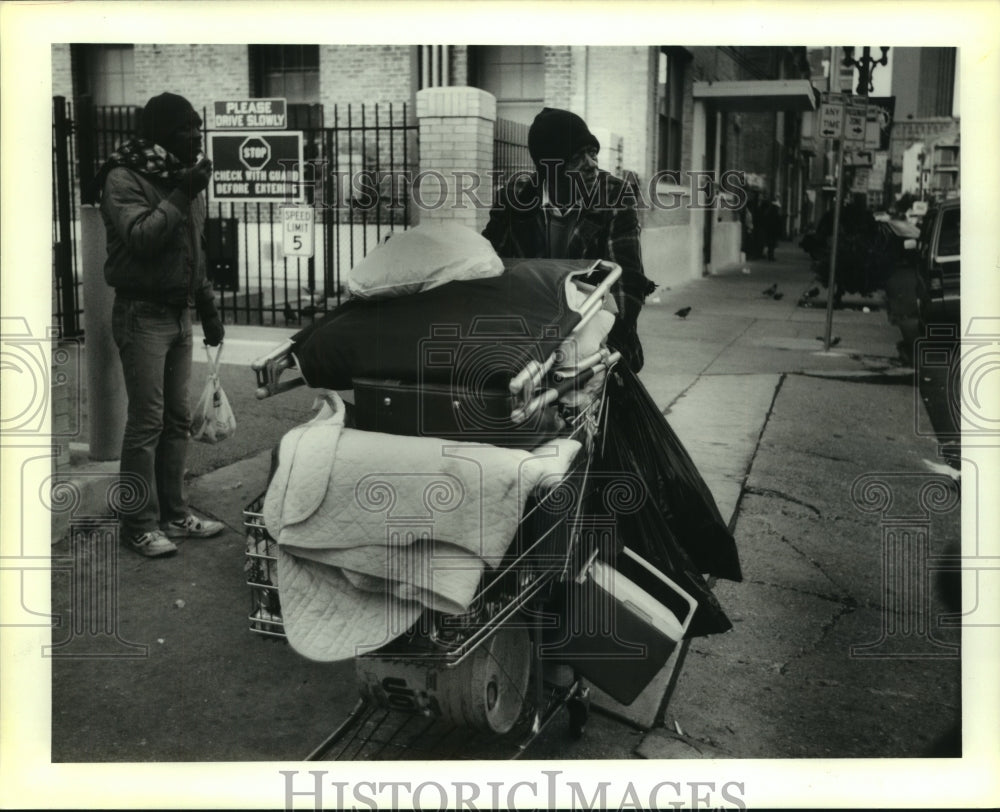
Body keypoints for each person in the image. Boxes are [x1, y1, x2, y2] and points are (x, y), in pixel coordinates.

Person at [95, 92, 225, 557]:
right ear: (161, 134)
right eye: (186, 127)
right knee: (146, 423)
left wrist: (206, 306)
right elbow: (143, 238)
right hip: (142, 314)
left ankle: (175, 513)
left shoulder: (179, 178)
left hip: (178, 313)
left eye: (198, 127)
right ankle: (139, 524)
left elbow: (194, 249)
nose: (196, 135)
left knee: (176, 420)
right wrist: (182, 192)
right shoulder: (123, 176)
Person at [482, 107, 655, 372]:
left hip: (598, 332)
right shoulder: (514, 198)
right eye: (577, 157)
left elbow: (627, 279)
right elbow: (490, 267)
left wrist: (609, 345)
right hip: (528, 335)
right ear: (549, 168)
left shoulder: (614, 194)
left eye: (593, 153)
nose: (592, 164)